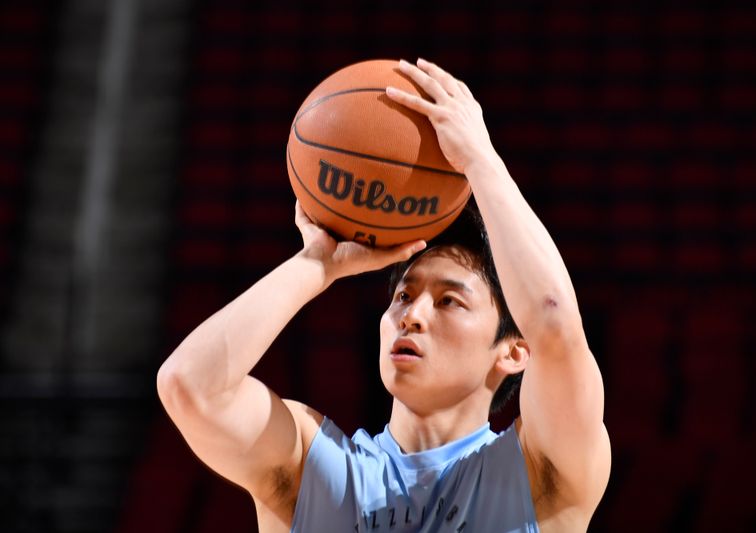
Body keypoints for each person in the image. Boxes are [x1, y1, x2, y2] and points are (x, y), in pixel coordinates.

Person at [157, 58, 611, 532]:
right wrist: (315, 265)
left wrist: (480, 160)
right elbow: (189, 386)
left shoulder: (541, 477)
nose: (412, 315)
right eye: (402, 297)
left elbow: (553, 321)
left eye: (449, 301)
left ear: (514, 351)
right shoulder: (317, 471)